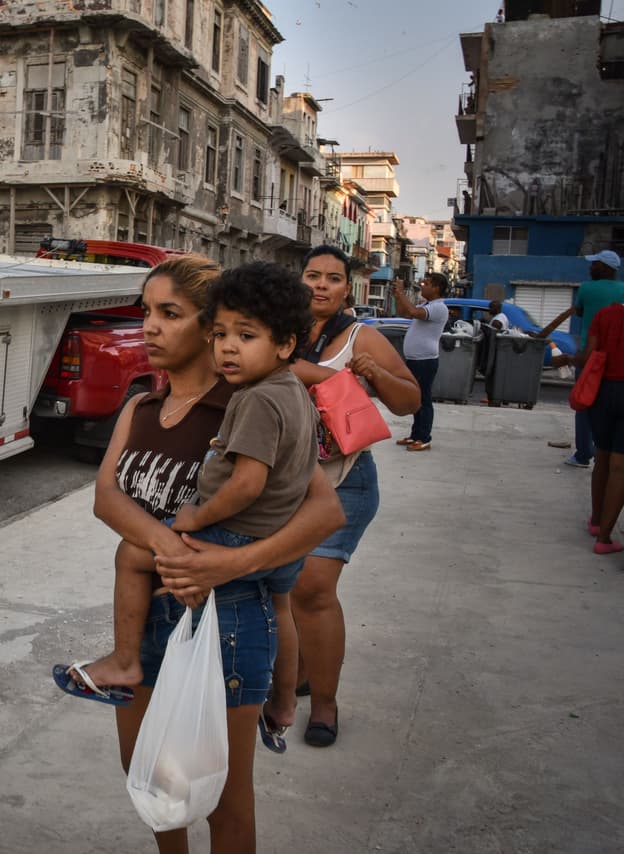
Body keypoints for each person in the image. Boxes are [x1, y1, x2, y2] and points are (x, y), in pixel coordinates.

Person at [61, 254, 343, 854]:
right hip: (148, 618)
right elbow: (107, 498)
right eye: (146, 312)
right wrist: (172, 550)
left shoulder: (250, 402)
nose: (151, 328)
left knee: (223, 802)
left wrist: (228, 563)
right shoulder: (140, 407)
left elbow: (325, 512)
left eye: (171, 314)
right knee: (153, 782)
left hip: (228, 619)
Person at [285, 246, 421, 748]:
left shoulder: (361, 336)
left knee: (313, 589)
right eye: (312, 275)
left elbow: (409, 402)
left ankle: (324, 704)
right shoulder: (278, 330)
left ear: (348, 289)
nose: (320, 285)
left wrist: (374, 375)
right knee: (283, 587)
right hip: (283, 485)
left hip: (344, 482)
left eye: (333, 279)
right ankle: (298, 676)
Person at [566, 251, 624, 468]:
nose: (591, 268)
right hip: (616, 360)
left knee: (583, 403)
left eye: (595, 264)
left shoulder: (587, 288)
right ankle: (610, 451)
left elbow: (579, 312)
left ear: (605, 268)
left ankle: (583, 454)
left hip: (589, 357)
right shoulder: (623, 290)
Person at [391, 272, 449, 452]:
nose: (422, 285)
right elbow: (403, 312)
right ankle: (415, 435)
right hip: (416, 359)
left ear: (437, 288)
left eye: (426, 283)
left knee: (423, 399)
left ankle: (424, 438)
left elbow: (413, 312)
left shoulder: (439, 307)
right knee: (416, 399)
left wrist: (402, 293)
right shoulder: (427, 304)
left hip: (425, 360)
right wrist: (397, 297)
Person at [584, 301, 624, 553]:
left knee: (602, 457)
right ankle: (605, 539)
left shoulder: (605, 313)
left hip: (604, 390)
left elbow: (590, 354)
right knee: (619, 467)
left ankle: (596, 521)